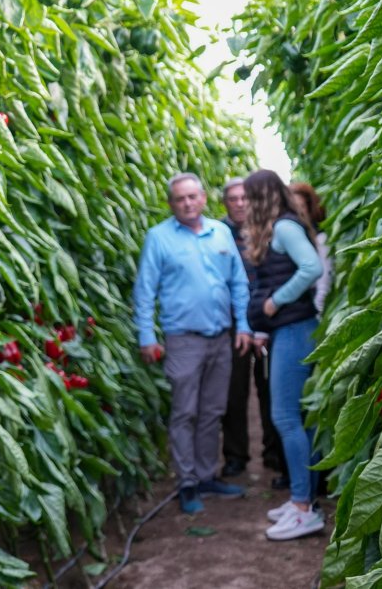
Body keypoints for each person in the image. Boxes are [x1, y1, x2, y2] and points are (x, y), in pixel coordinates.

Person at [133, 173, 253, 515]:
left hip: (221, 337)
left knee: (213, 410)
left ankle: (205, 475)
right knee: (185, 411)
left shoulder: (222, 232)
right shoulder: (159, 238)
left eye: (192, 197)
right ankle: (186, 482)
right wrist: (147, 336)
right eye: (180, 199)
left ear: (203, 199)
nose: (187, 203)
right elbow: (145, 292)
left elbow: (238, 283)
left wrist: (243, 325)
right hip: (183, 339)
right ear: (171, 204)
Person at [242, 170, 325, 541]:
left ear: (263, 196)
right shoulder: (281, 227)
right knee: (296, 418)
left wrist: (275, 302)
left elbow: (312, 267)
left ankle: (303, 508)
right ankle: (301, 501)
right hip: (290, 331)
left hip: (294, 331)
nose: (244, 204)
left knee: (285, 416)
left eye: (249, 196)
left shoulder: (285, 228)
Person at [219, 178, 287, 487]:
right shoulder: (218, 232)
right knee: (234, 390)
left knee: (270, 385)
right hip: (231, 320)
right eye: (232, 199)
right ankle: (235, 456)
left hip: (266, 317)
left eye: (244, 197)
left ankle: (273, 453)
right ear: (225, 203)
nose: (239, 203)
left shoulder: (268, 229)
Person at [289, 182, 332, 315]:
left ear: (310, 208)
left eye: (302, 206)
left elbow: (324, 284)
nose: (299, 212)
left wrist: (317, 313)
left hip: (313, 310)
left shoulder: (320, 239)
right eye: (293, 208)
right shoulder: (290, 236)